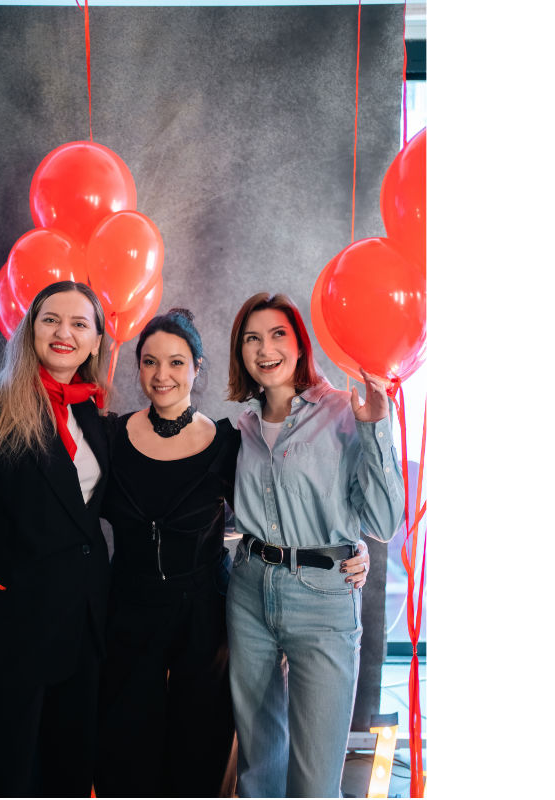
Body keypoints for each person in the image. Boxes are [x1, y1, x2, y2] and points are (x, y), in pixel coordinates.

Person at [92, 308, 372, 798]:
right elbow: (69, 505)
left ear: (197, 367)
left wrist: (352, 542)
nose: (162, 375)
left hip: (205, 617)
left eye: (176, 362)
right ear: (137, 367)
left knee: (200, 748)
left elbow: (286, 500)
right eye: (150, 362)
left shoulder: (228, 441)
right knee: (126, 748)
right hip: (128, 614)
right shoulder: (111, 436)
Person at [0, 281, 113, 797]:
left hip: (82, 628)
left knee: (68, 778)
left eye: (79, 324)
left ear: (96, 341)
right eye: (51, 319)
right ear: (30, 330)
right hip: (9, 632)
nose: (63, 333)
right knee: (4, 780)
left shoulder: (93, 414)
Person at [223, 292, 404, 798]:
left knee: (315, 778)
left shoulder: (344, 412)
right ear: (241, 353)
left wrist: (376, 428)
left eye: (277, 334)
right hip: (249, 589)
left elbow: (383, 521)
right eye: (252, 339)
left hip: (323, 595)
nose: (265, 349)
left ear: (300, 344)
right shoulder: (243, 426)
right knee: (258, 768)